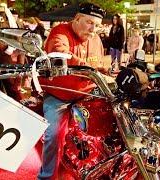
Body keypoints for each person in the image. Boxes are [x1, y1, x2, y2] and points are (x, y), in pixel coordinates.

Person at [38, 3, 106, 179]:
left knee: (112, 121)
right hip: (60, 95)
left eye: (97, 25)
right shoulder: (60, 31)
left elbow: (102, 63)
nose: (93, 29)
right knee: (54, 134)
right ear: (76, 19)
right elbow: (58, 52)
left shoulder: (96, 39)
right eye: (89, 22)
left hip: (88, 93)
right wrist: (89, 68)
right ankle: (47, 176)